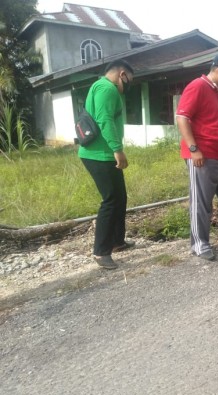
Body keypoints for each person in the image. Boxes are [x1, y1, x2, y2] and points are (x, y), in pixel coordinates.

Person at [176, 53, 218, 262]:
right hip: (203, 155)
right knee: (201, 202)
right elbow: (182, 118)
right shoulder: (198, 86)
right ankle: (199, 243)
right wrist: (194, 149)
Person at [79, 59, 135, 270]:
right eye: (130, 79)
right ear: (122, 74)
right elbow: (104, 120)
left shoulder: (101, 86)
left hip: (103, 154)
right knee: (110, 200)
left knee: (120, 198)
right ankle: (101, 252)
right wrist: (117, 149)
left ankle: (117, 241)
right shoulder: (107, 89)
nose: (130, 84)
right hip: (99, 155)